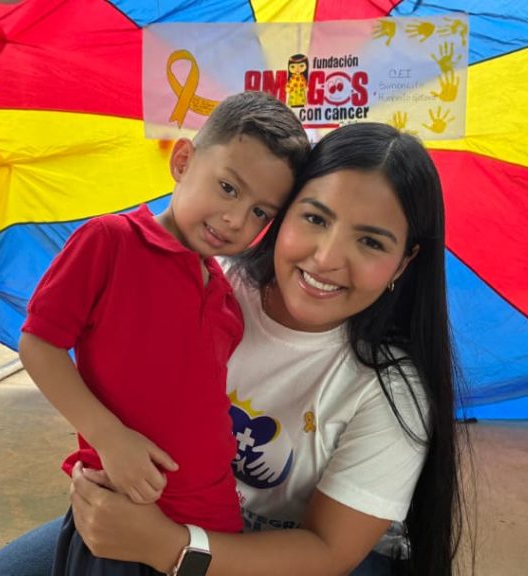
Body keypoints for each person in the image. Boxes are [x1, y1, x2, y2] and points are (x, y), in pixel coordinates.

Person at [0, 122, 467, 576]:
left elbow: (328, 552)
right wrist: (106, 457)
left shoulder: (391, 389)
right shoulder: (214, 284)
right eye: (315, 218)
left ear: (405, 262)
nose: (327, 257)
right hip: (172, 513)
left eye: (372, 243)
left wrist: (168, 547)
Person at [18, 90, 310, 575]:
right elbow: (39, 344)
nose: (236, 219)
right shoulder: (111, 242)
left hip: (214, 519)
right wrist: (109, 438)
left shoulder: (224, 295)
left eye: (261, 212)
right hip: (123, 515)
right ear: (183, 161)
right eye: (228, 188)